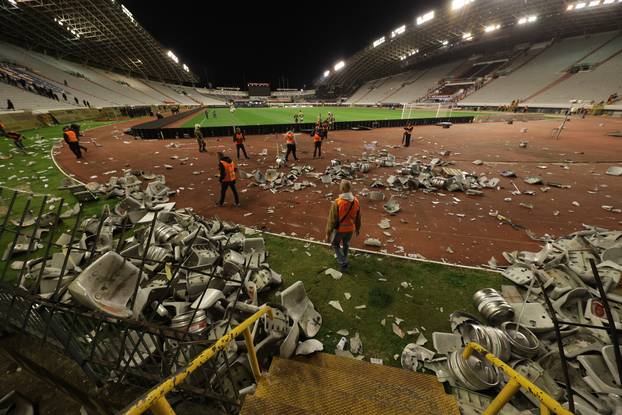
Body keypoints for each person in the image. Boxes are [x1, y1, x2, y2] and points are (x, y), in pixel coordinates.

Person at [325, 180, 361, 271]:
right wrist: (357, 228)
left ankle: (343, 262)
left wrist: (328, 233)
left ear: (342, 189)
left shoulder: (337, 202)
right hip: (350, 229)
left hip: (339, 229)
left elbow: (332, 220)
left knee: (335, 244)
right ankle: (344, 261)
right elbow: (358, 217)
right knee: (346, 244)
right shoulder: (356, 201)